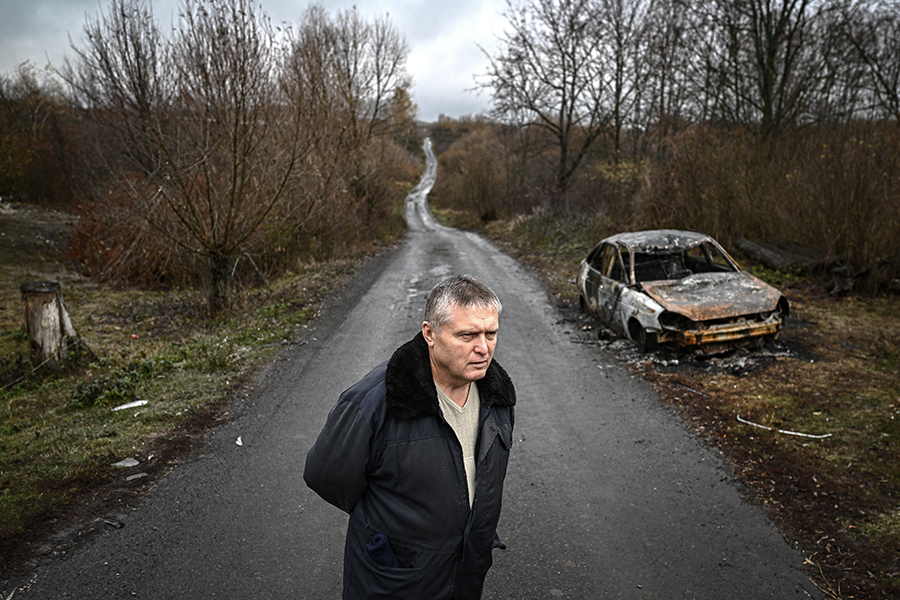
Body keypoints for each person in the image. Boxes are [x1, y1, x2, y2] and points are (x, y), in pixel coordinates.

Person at [304, 274, 516, 600]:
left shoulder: (498, 396)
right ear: (430, 334)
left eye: (491, 333)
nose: (483, 348)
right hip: (394, 580)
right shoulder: (375, 400)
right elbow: (325, 476)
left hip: (466, 574)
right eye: (467, 335)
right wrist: (389, 528)